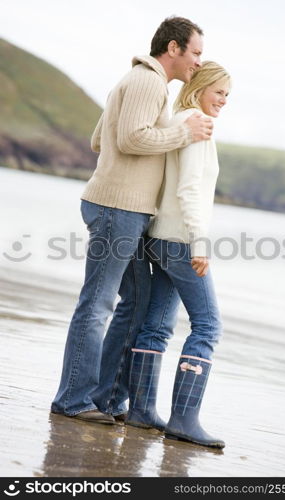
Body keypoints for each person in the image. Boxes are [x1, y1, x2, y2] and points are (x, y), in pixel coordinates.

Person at [51, 16, 213, 424]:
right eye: (195, 52)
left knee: (135, 303)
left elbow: (99, 139)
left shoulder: (137, 80)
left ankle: (105, 398)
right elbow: (128, 139)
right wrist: (184, 134)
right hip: (116, 209)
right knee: (98, 304)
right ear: (173, 48)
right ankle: (73, 400)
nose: (197, 62)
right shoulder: (147, 82)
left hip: (126, 208)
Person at [126, 61, 231, 448]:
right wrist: (200, 242)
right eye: (219, 91)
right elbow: (188, 190)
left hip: (159, 237)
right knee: (207, 326)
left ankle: (140, 411)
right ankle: (184, 418)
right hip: (181, 240)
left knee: (156, 325)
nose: (223, 100)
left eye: (227, 94)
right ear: (201, 86)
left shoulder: (177, 119)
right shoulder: (197, 126)